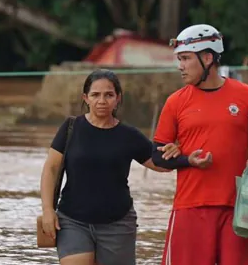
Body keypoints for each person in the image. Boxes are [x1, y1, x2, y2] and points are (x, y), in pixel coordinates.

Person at [151, 24, 248, 265]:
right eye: (179, 59)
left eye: (186, 58)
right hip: (190, 208)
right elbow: (156, 157)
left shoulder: (247, 95)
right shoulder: (175, 102)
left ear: (208, 57)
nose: (180, 66)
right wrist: (187, 160)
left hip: (238, 208)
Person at [40, 69, 180, 265]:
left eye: (109, 95)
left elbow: (161, 164)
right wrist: (47, 210)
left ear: (118, 98)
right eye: (95, 95)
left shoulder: (129, 135)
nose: (102, 100)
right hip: (72, 221)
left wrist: (177, 149)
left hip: (118, 224)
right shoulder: (71, 128)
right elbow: (51, 169)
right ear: (85, 98)